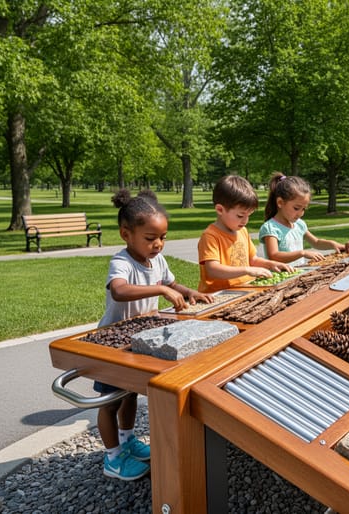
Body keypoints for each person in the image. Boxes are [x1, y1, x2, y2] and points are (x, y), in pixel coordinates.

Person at [97, 189, 212, 481]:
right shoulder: (122, 262)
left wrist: (190, 292)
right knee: (110, 402)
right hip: (113, 343)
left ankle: (127, 440)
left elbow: (172, 283)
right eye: (150, 238)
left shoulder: (157, 260)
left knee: (130, 394)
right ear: (126, 234)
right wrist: (160, 289)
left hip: (140, 340)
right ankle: (112, 458)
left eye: (163, 237)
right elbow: (119, 290)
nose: (158, 244)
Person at [198, 175, 294, 293]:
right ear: (220, 210)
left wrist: (271, 264)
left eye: (249, 215)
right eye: (240, 216)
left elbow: (252, 259)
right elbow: (212, 270)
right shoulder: (210, 236)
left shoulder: (242, 231)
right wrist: (247, 270)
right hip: (219, 295)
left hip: (244, 289)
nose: (245, 221)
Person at [259, 173, 345, 266]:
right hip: (280, 274)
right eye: (296, 208)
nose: (300, 213)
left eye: (303, 209)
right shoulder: (271, 228)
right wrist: (302, 253)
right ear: (280, 202)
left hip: (299, 273)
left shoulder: (299, 224)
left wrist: (332, 244)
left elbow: (316, 242)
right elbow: (274, 256)